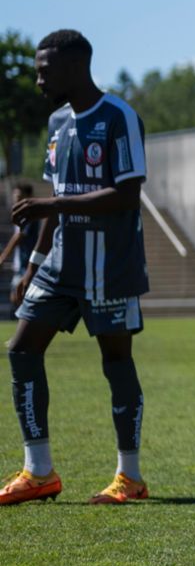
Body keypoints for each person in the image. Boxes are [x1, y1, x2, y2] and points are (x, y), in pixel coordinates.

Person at [3, 30, 151, 506]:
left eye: (45, 70)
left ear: (74, 66)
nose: (38, 79)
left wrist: (50, 206)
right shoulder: (56, 123)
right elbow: (58, 203)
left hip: (110, 267)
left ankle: (130, 477)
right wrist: (34, 266)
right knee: (21, 349)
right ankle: (39, 470)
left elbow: (127, 194)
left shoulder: (119, 118)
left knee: (116, 361)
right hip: (61, 266)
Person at [2, 184, 39, 318]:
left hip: (27, 264)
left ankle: (29, 331)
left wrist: (3, 257)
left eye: (19, 196)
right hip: (20, 264)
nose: (15, 199)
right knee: (16, 298)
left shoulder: (29, 216)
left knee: (19, 297)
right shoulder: (20, 216)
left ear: (28, 198)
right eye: (14, 196)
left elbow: (19, 237)